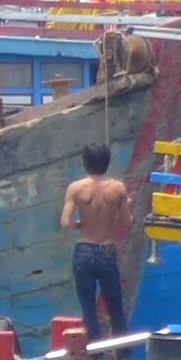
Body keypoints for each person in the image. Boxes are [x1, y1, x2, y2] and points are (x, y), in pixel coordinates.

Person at [62, 141, 134, 343]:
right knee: (115, 306)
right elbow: (127, 223)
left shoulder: (76, 188)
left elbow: (66, 222)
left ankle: (96, 355)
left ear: (85, 163)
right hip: (107, 250)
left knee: (88, 308)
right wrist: (128, 206)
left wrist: (80, 224)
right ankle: (122, 353)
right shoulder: (118, 188)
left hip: (84, 249)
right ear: (107, 162)